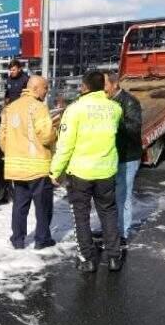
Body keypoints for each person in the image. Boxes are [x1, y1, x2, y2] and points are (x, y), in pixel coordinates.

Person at [49, 71, 123, 273]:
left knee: (81, 216)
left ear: (84, 87)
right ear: (103, 86)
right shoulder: (115, 109)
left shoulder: (74, 110)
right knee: (108, 212)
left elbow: (65, 145)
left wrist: (55, 171)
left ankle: (88, 259)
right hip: (106, 170)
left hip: (81, 171)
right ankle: (114, 257)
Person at [0, 75, 57, 251]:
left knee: (20, 205)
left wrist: (12, 152)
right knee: (42, 206)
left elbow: (2, 137)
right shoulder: (39, 108)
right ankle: (42, 240)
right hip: (37, 166)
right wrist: (54, 130)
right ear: (36, 88)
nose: (47, 91)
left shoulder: (10, 108)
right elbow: (46, 136)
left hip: (16, 166)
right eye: (45, 88)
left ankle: (17, 240)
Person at [104, 71, 143, 247]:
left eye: (105, 85)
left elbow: (134, 129)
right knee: (109, 197)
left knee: (123, 195)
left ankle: (122, 232)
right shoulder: (106, 102)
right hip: (109, 157)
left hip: (127, 157)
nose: (102, 89)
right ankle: (111, 229)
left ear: (114, 85)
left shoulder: (130, 102)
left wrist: (113, 120)